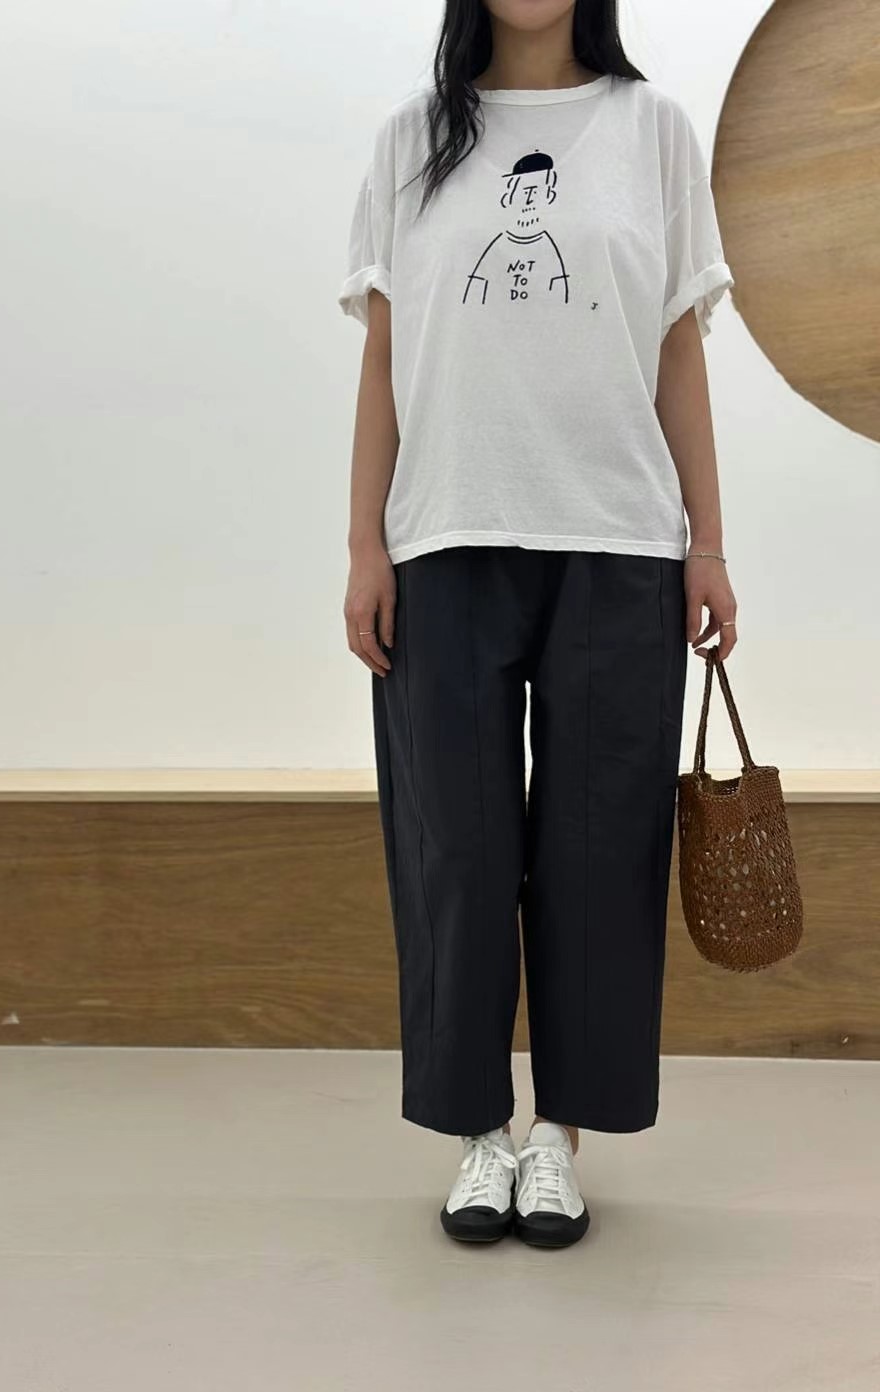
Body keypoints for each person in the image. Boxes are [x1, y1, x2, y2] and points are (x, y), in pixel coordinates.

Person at [337, 0, 738, 1247]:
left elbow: (679, 349)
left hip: (619, 537)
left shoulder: (653, 129)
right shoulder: (413, 139)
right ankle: (477, 1133)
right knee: (454, 846)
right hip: (446, 531)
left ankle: (559, 1134)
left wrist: (708, 541)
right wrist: (363, 544)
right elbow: (383, 357)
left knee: (599, 850)